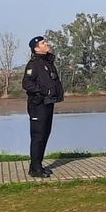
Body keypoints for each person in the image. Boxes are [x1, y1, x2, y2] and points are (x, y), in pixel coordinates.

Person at [21, 36, 63, 177]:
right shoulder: (34, 64)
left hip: (48, 103)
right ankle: (35, 169)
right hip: (37, 105)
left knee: (45, 134)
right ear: (36, 48)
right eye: (43, 43)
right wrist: (45, 91)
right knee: (38, 136)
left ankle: (37, 165)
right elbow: (27, 83)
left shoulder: (47, 62)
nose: (47, 44)